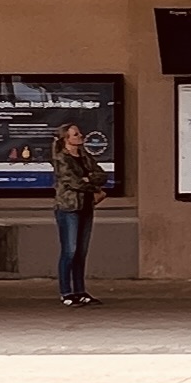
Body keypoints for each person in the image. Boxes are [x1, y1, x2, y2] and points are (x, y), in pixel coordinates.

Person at [49, 120, 107, 309]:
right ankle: (66, 292)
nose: (81, 136)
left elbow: (101, 175)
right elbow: (73, 182)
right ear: (66, 139)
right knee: (70, 250)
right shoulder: (61, 158)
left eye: (79, 133)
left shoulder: (84, 155)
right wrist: (94, 188)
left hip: (86, 206)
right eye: (76, 134)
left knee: (81, 252)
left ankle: (80, 291)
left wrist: (89, 179)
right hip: (69, 208)